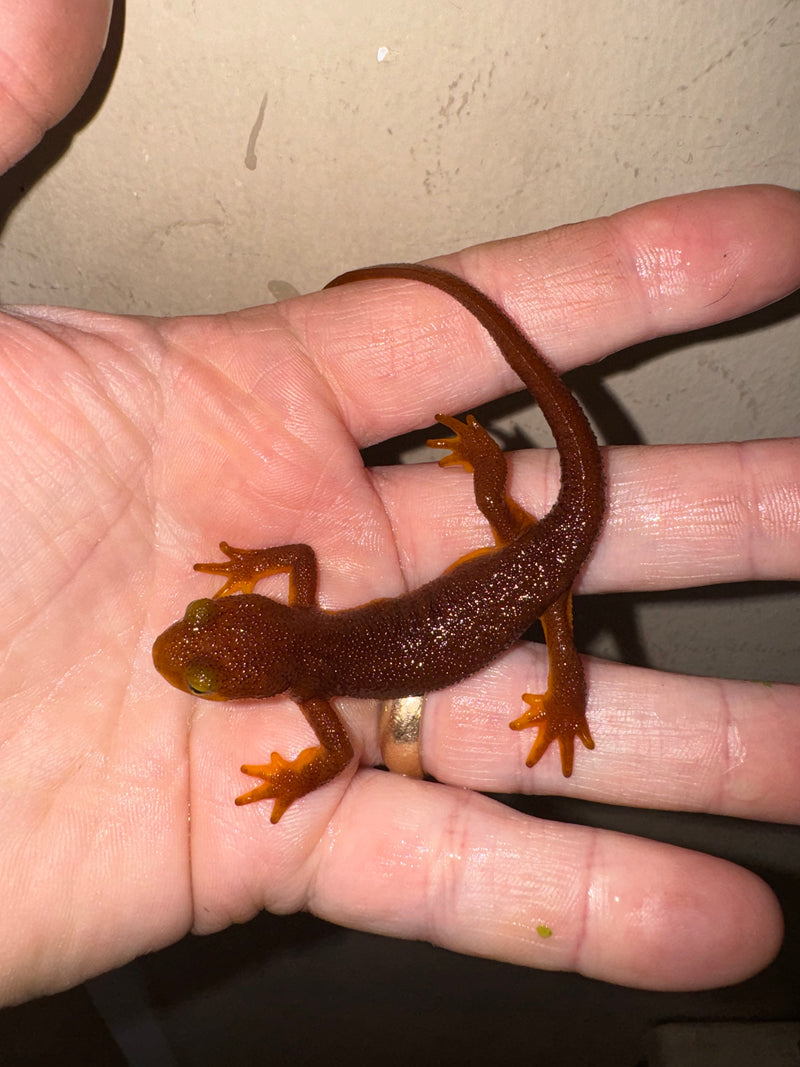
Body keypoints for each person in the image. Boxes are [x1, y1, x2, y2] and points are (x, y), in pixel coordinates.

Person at [0, 2, 798, 1007]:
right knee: (532, 577)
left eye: (202, 630)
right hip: (514, 574)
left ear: (255, 629)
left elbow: (329, 737)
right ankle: (499, 505)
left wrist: (297, 773)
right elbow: (298, 578)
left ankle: (514, 547)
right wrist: (261, 582)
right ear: (258, 633)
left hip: (524, 574)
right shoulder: (300, 633)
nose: (194, 633)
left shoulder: (311, 684)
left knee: (544, 586)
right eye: (207, 649)